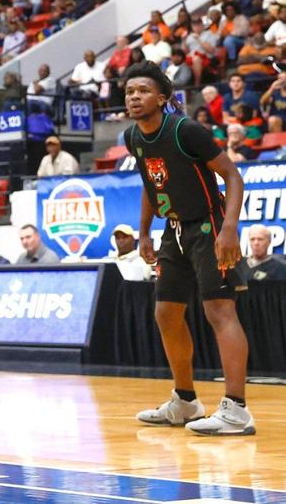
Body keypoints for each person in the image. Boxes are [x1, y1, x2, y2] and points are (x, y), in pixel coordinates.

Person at [124, 61, 254, 435]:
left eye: (143, 91)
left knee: (219, 310)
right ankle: (185, 401)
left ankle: (236, 410)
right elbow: (151, 183)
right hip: (174, 229)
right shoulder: (134, 137)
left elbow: (233, 176)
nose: (134, 97)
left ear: (162, 97)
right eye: (129, 92)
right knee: (166, 312)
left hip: (210, 225)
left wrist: (229, 229)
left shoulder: (186, 130)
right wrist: (144, 232)